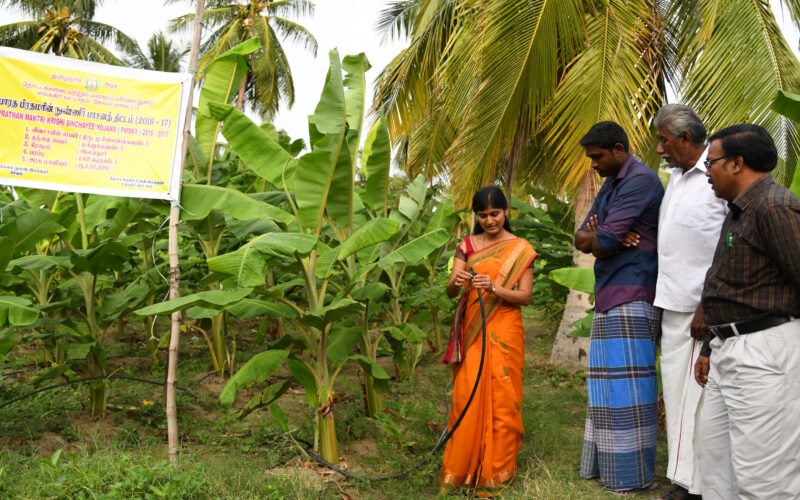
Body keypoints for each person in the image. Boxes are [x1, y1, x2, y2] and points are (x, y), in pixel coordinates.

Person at [693, 124, 800, 499]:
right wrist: (709, 347)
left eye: (713, 163)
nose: (707, 172)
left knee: (765, 476)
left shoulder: (774, 207)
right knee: (715, 465)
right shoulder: (738, 211)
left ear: (737, 163)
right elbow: (729, 286)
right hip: (728, 348)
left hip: (764, 350)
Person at [574, 121, 664, 493]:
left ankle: (629, 475)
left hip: (634, 293)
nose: (593, 164)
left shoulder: (640, 180)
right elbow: (583, 239)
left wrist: (603, 235)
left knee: (628, 391)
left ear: (617, 149)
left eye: (597, 157)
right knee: (606, 388)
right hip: (612, 292)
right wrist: (600, 235)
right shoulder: (612, 184)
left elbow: (604, 242)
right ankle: (609, 468)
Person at [440, 186, 537, 496]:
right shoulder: (466, 245)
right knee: (465, 397)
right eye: (482, 216)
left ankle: (496, 474)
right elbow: (451, 291)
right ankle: (458, 471)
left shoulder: (521, 248)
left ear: (505, 212)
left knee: (503, 398)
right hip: (472, 330)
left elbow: (525, 296)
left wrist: (494, 288)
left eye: (495, 214)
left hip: (505, 330)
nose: (489, 221)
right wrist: (455, 282)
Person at [651, 104, 727, 500]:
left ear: (684, 139)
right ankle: (685, 481)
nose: (660, 148)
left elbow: (727, 248)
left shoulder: (717, 179)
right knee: (678, 396)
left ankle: (696, 486)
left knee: (699, 400)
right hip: (671, 304)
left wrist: (707, 307)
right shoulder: (676, 180)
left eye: (664, 140)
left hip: (703, 311)